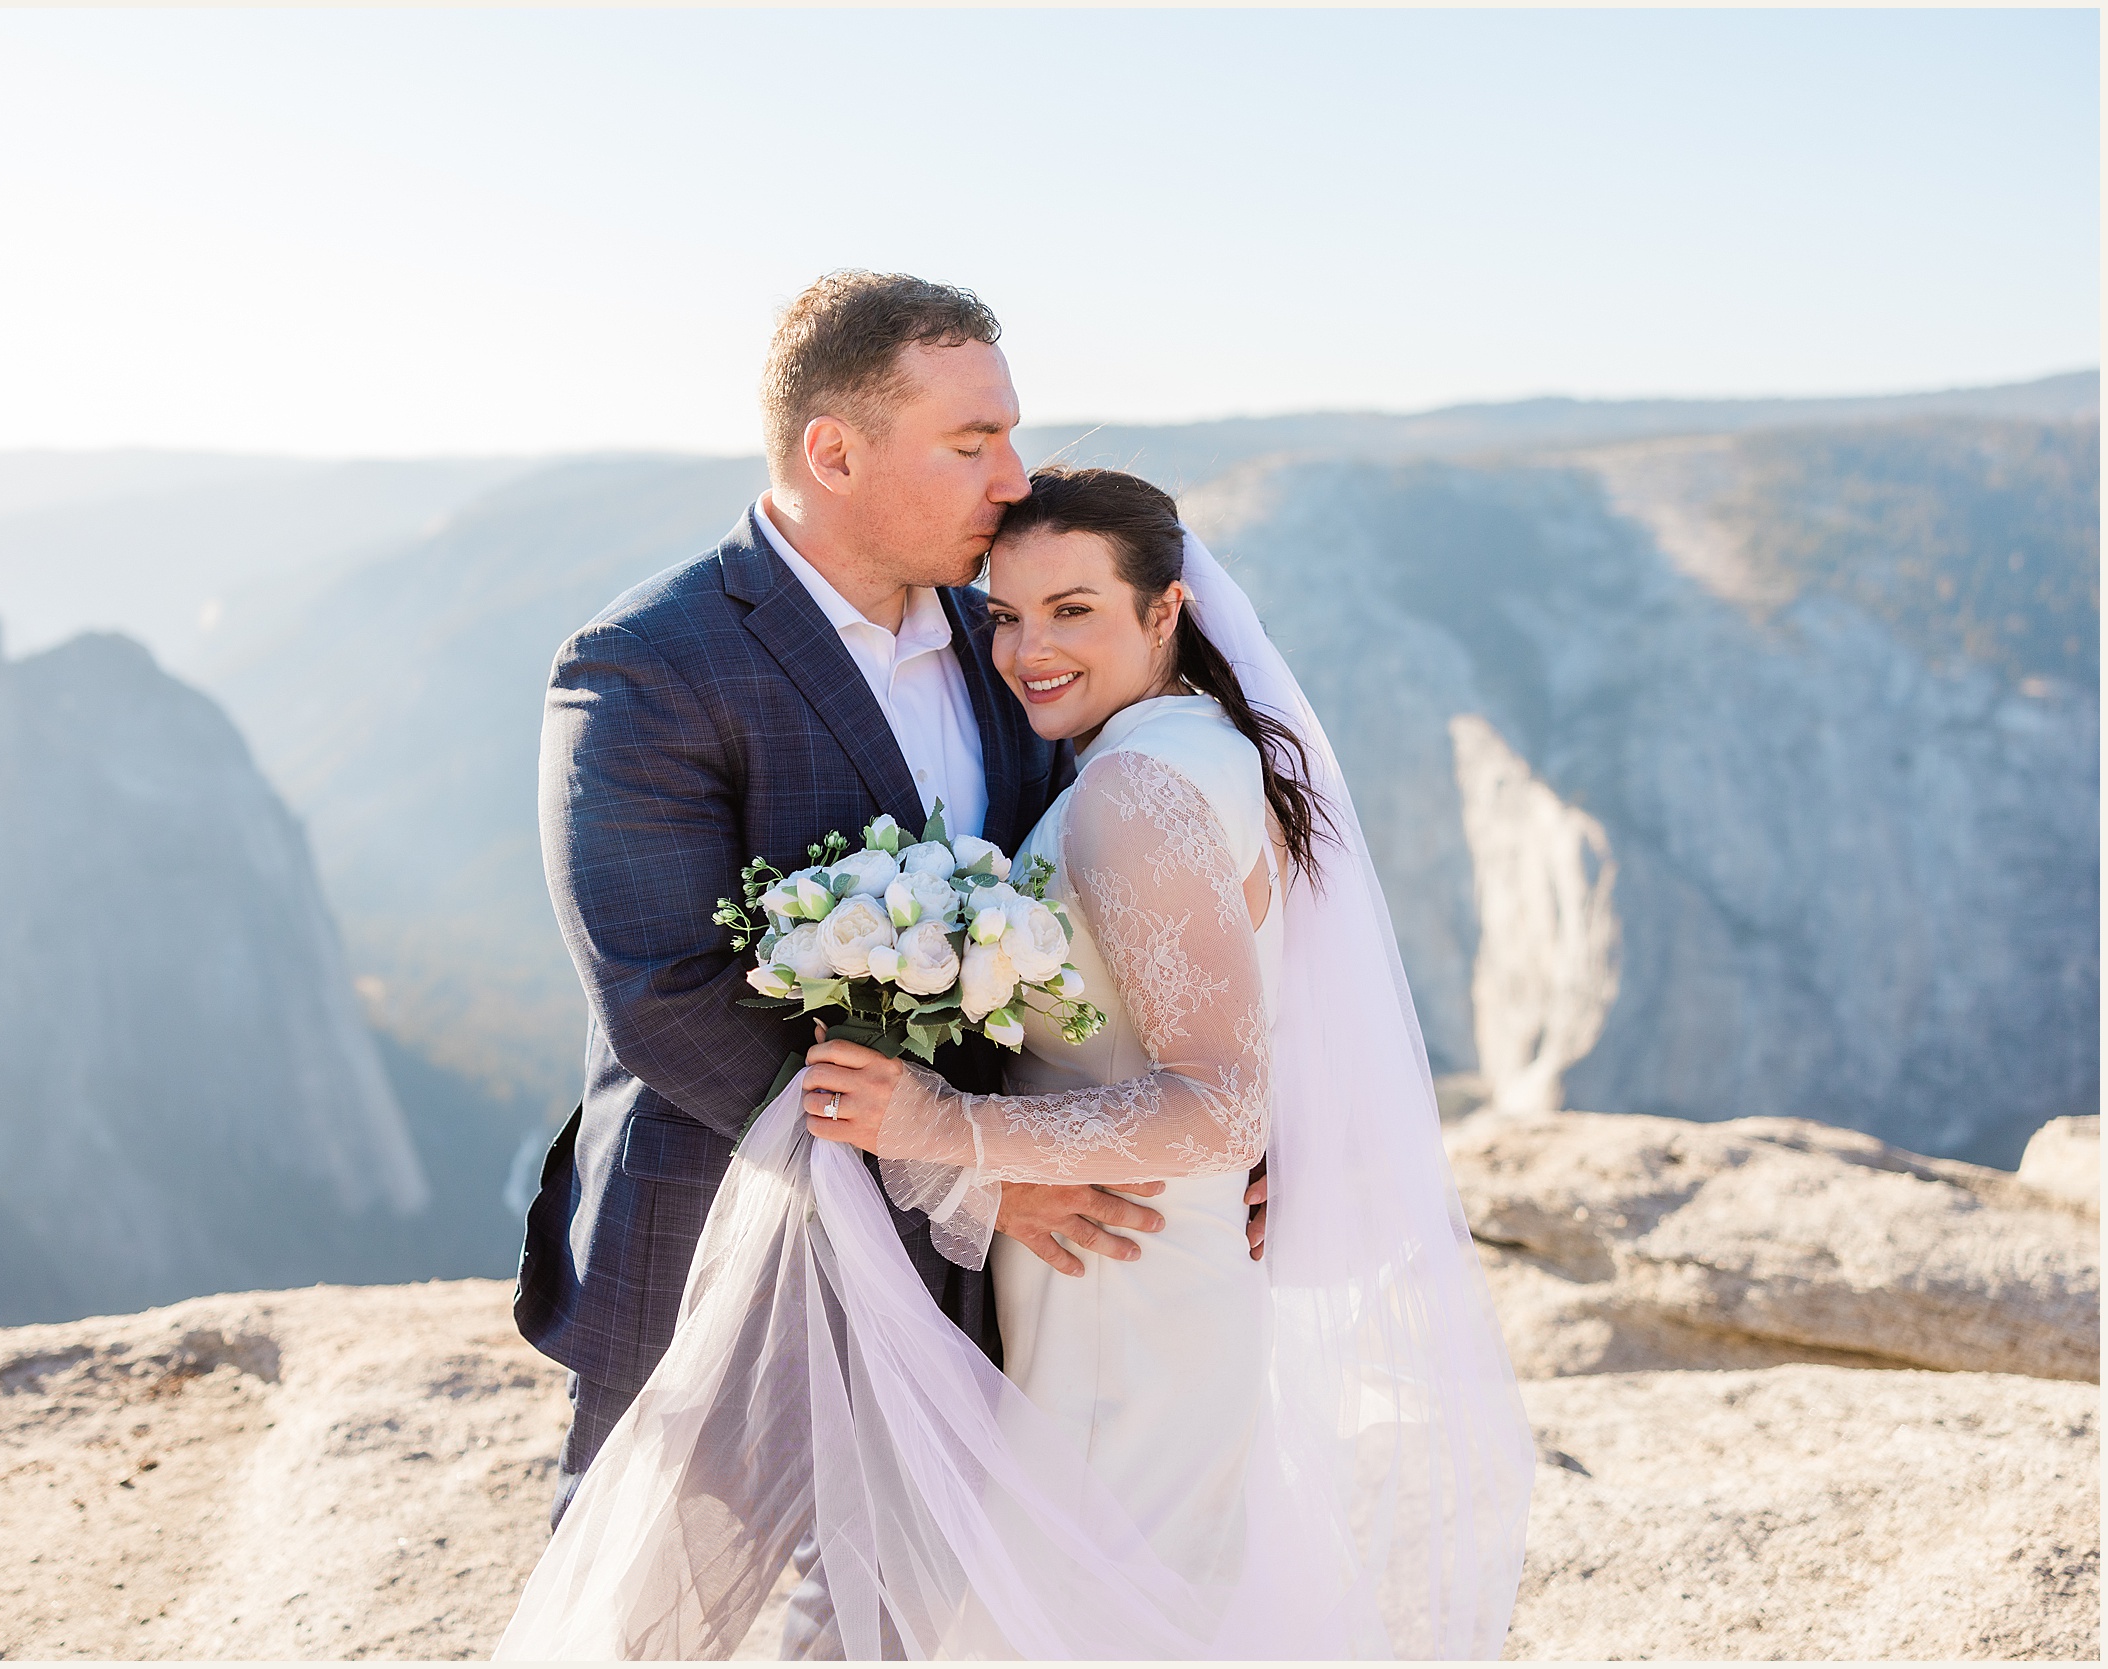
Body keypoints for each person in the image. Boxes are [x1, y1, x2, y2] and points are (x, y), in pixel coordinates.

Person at [500, 463, 1534, 1659]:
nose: (1026, 647)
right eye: (1006, 613)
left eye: (1074, 609)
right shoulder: (1181, 745)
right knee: (1121, 1593)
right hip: (1119, 1256)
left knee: (1081, 1609)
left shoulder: (1136, 789)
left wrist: (950, 1135)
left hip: (1118, 1271)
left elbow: (1216, 1099)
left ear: (1167, 613)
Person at [513, 272, 1176, 1546]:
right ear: (834, 451)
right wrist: (960, 1173)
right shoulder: (648, 663)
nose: (1015, 479)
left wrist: (1213, 1131)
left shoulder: (1013, 632)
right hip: (727, 1241)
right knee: (648, 1611)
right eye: (972, 441)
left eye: (1009, 433)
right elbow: (669, 997)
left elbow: (1122, 894)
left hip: (992, 1279)